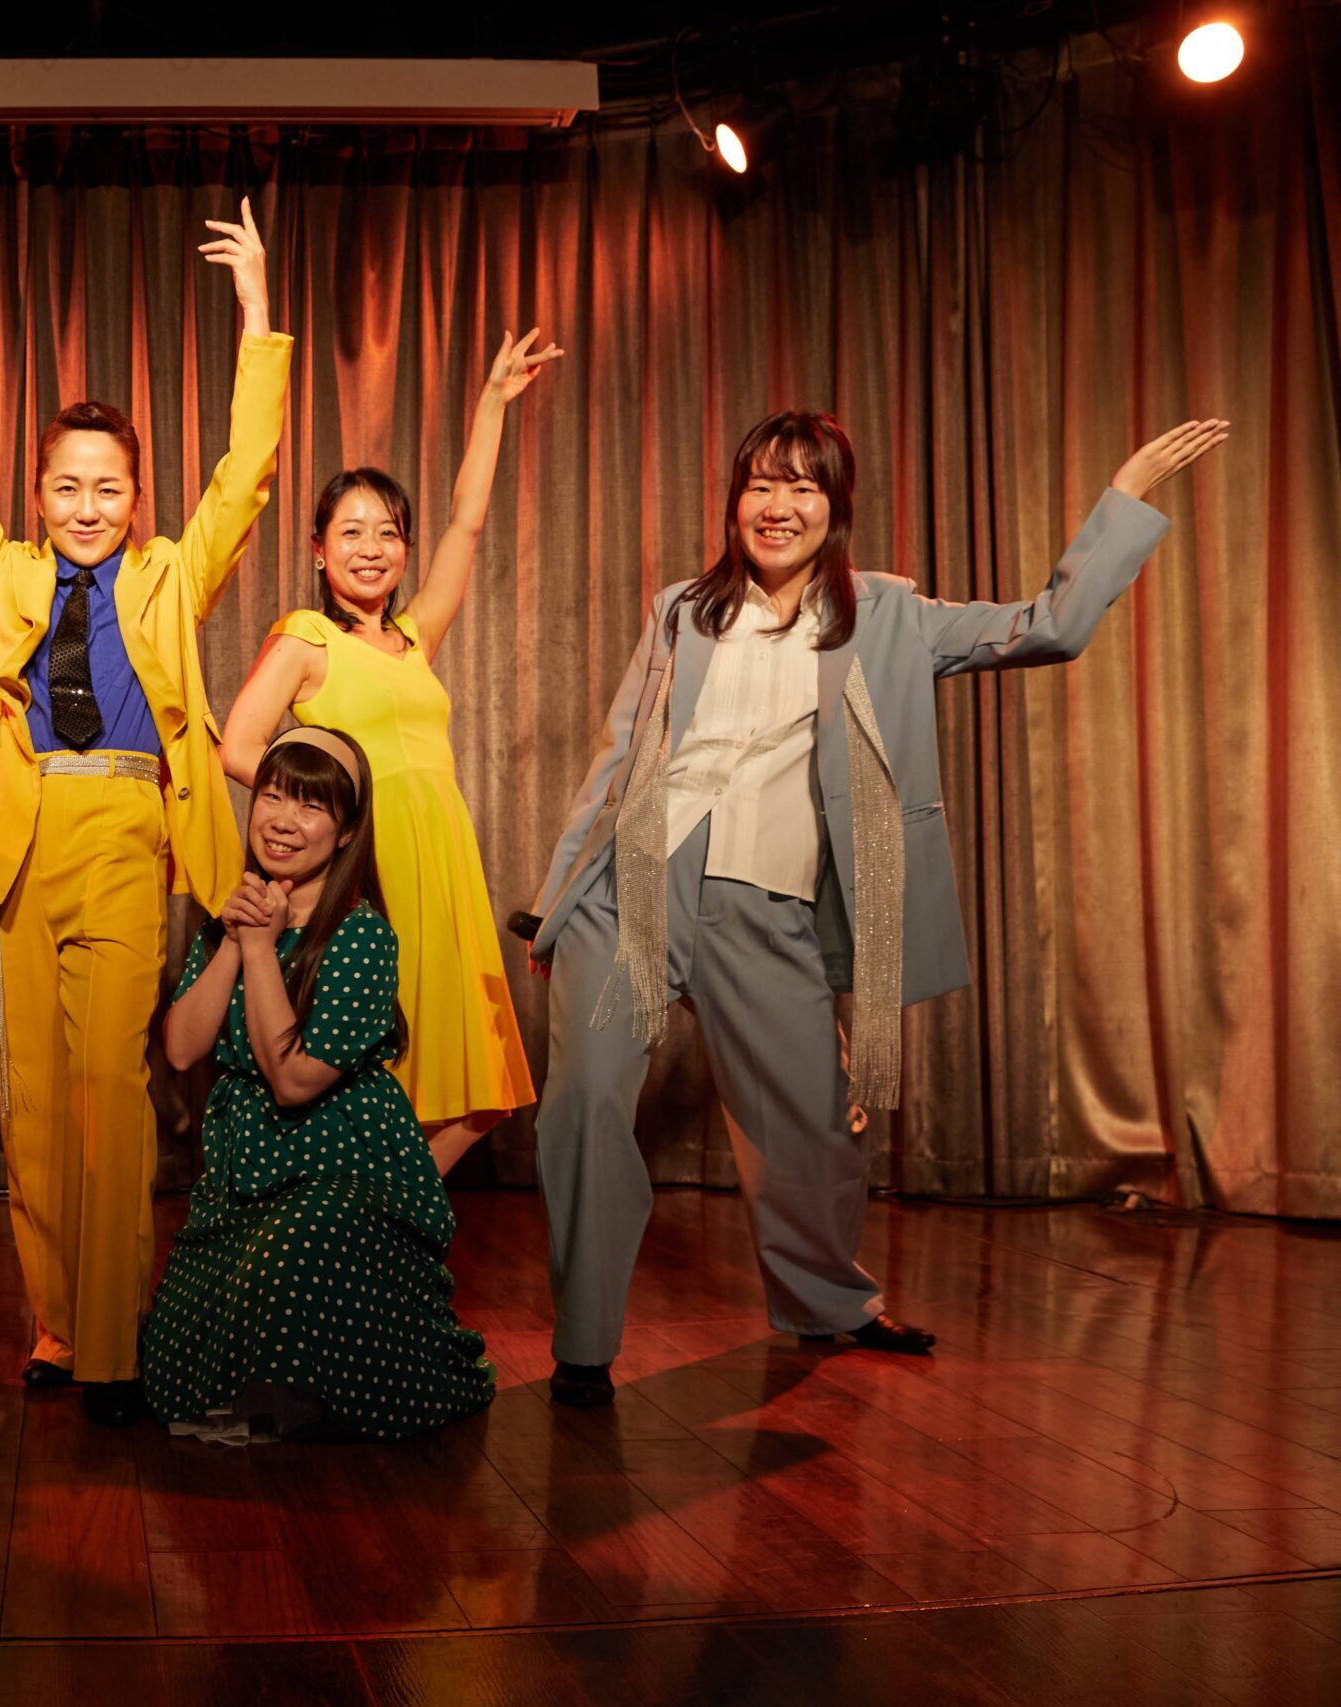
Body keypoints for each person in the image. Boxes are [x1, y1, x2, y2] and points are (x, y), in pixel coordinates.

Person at [526, 409, 1231, 1408]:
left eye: (802, 486)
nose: (777, 505)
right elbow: (617, 756)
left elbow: (1049, 626)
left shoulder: (891, 614)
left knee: (812, 1129)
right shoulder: (681, 610)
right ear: (735, 501)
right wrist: (556, 905)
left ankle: (829, 1302)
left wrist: (1123, 500)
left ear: (835, 506)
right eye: (760, 484)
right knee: (586, 1102)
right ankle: (584, 1345)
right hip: (634, 886)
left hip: (767, 899)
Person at [0, 186, 292, 1425]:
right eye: (68, 487)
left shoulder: (171, 575)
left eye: (110, 489)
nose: (87, 507)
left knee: (109, 1097)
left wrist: (255, 314)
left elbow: (246, 475)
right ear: (38, 494)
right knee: (32, 1102)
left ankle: (118, 1346)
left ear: (137, 497)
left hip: (127, 832)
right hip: (17, 841)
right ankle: (60, 1328)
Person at [220, 329, 562, 1177]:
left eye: (388, 532)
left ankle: (386, 1212)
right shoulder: (307, 637)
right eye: (351, 532)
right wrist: (329, 814)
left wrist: (491, 407)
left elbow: (468, 524)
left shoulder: (414, 637)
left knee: (479, 1088)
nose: (371, 548)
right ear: (318, 549)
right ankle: (362, 1212)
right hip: (372, 864)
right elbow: (239, 747)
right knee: (384, 1064)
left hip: (444, 864)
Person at [144, 728, 495, 1441]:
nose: (282, 819)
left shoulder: (362, 935)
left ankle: (319, 1384)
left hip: (343, 1165)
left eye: (310, 806)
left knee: (299, 1245)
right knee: (167, 1362)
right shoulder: (232, 923)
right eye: (272, 796)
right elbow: (180, 1049)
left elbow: (294, 1080)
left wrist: (259, 950)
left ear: (345, 833)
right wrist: (237, 938)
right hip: (245, 1168)